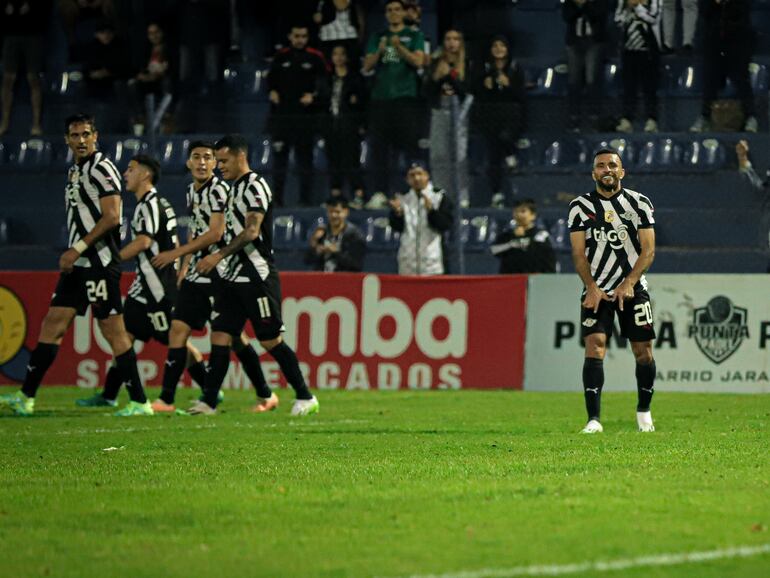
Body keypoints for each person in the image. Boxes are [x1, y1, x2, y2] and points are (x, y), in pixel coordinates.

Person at [0, 114, 149, 416]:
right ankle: (26, 397)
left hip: (98, 262)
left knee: (113, 331)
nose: (80, 140)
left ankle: (139, 401)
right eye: (74, 135)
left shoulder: (102, 168)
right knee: (52, 324)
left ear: (95, 136)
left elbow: (112, 217)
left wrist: (77, 248)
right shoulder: (75, 170)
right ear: (67, 140)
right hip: (79, 265)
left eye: (85, 134)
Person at [190, 135, 319, 416]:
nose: (218, 166)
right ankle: (208, 402)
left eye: (223, 161)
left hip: (256, 275)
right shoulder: (233, 189)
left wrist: (217, 255)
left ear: (240, 157)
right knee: (221, 335)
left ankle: (305, 396)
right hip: (232, 277)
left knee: (270, 340)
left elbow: (251, 232)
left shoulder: (255, 186)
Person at [149, 141, 276, 413]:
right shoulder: (191, 191)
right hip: (197, 270)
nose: (203, 163)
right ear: (188, 163)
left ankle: (262, 393)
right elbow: (195, 231)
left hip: (219, 271)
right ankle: (168, 398)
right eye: (196, 157)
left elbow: (216, 234)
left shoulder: (220, 190)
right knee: (178, 330)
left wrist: (176, 253)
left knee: (233, 338)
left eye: (208, 157)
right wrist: (185, 265)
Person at [75, 155, 207, 408]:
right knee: (124, 335)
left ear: (145, 175)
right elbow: (174, 242)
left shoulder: (149, 205)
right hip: (143, 286)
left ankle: (209, 387)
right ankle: (109, 394)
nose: (125, 174)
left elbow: (143, 242)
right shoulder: (160, 204)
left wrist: (112, 261)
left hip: (157, 287)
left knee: (174, 339)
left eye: (131, 169)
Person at [567, 148, 657, 434]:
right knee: (594, 346)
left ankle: (644, 411)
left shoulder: (639, 203)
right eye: (601, 166)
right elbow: (579, 255)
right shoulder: (579, 206)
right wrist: (591, 287)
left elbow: (649, 250)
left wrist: (629, 282)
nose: (607, 170)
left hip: (633, 289)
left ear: (622, 171)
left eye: (612, 165)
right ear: (594, 173)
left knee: (643, 351)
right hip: (598, 291)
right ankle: (593, 419)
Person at [362, 0, 425, 196]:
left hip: (405, 98)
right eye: (389, 10)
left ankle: (410, 192)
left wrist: (399, 48)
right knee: (380, 149)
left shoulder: (414, 35)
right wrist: (380, 50)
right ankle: (380, 193)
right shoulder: (378, 37)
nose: (393, 13)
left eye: (397, 9)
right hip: (381, 99)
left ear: (404, 12)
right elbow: (367, 66)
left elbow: (418, 61)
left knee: (408, 147)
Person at [268, 24, 329, 207]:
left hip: (305, 119)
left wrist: (314, 96)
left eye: (303, 36)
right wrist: (272, 91)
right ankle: (277, 199)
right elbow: (270, 80)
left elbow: (324, 85)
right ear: (290, 36)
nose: (300, 39)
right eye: (296, 36)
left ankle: (305, 200)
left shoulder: (316, 58)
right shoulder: (281, 57)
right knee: (280, 161)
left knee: (305, 161)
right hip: (283, 118)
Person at [473, 35, 526, 207]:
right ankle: (496, 194)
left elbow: (520, 95)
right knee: (493, 156)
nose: (498, 49)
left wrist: (509, 84)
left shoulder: (515, 67)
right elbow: (477, 94)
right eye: (494, 45)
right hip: (490, 115)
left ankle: (510, 153)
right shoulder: (483, 69)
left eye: (501, 45)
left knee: (504, 136)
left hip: (511, 114)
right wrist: (484, 86)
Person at [690, 0, 756, 133]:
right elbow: (704, 11)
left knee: (742, 80)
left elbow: (743, 12)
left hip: (737, 42)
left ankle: (751, 117)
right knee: (709, 81)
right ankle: (705, 116)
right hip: (713, 41)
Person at [426, 28, 470, 207]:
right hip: (439, 110)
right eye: (448, 38)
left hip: (461, 112)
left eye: (456, 39)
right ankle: (440, 195)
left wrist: (450, 76)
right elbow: (427, 91)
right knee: (439, 156)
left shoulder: (468, 63)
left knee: (458, 156)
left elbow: (467, 92)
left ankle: (462, 196)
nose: (452, 43)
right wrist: (438, 78)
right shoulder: (436, 63)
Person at [388, 162, 454, 275]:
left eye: (420, 174)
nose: (416, 178)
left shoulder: (439, 196)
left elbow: (445, 225)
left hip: (433, 264)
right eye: (412, 175)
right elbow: (397, 227)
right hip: (408, 264)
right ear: (407, 179)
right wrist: (398, 213)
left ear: (427, 175)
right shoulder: (402, 198)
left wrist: (431, 211)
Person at [0, 0, 51, 136]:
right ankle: (4, 123)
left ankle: (36, 124)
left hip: (33, 35)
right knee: (8, 79)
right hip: (10, 34)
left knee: (33, 78)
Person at [324, 44, 366, 206]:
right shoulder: (327, 78)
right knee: (333, 161)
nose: (339, 57)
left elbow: (362, 102)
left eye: (342, 54)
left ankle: (358, 195)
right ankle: (336, 199)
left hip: (350, 125)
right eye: (335, 54)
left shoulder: (355, 78)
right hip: (331, 125)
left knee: (351, 161)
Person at [614, 0, 661, 134]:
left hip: (648, 51)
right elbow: (618, 19)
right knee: (629, 87)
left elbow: (654, 17)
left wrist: (638, 6)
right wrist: (628, 9)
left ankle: (652, 120)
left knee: (649, 87)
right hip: (629, 50)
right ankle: (627, 120)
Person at [562, 0, 609, 132]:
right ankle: (573, 117)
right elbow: (566, 16)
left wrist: (583, 4)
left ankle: (594, 117)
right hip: (574, 42)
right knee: (573, 81)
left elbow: (597, 14)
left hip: (594, 42)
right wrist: (578, 5)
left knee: (592, 80)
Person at [490, 199, 557, 274]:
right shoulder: (507, 235)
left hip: (533, 280)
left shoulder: (541, 235)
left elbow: (548, 258)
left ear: (533, 215)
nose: (518, 215)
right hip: (509, 279)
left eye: (523, 211)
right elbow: (494, 250)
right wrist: (511, 243)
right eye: (516, 211)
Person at [305, 196, 366, 272]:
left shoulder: (355, 235)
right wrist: (314, 244)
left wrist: (335, 252)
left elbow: (356, 265)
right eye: (330, 212)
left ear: (346, 212)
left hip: (344, 280)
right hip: (322, 279)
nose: (333, 215)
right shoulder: (322, 232)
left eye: (337, 212)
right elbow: (307, 261)